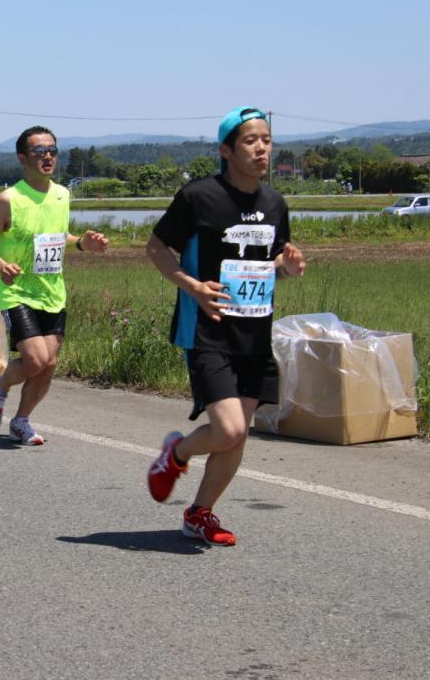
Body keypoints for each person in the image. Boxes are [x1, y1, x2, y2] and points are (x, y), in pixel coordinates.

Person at [144, 106, 306, 546]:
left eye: (267, 140)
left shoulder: (274, 203)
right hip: (207, 330)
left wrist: (288, 268)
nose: (261, 148)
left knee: (236, 438)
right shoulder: (199, 196)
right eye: (251, 141)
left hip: (254, 333)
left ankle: (199, 514)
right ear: (226, 150)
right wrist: (193, 286)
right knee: (229, 429)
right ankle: (176, 453)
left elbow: (271, 262)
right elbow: (156, 248)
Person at [0, 126, 109, 446]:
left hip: (52, 292)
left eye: (52, 150)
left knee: (49, 364)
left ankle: (21, 421)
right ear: (23, 158)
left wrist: (83, 244)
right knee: (35, 359)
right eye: (39, 151)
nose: (47, 156)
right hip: (17, 292)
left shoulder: (62, 194)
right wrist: (0, 264)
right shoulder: (8, 200)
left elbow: (60, 235)